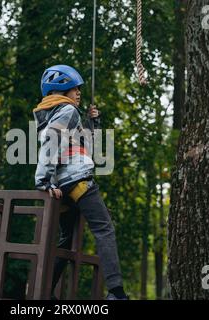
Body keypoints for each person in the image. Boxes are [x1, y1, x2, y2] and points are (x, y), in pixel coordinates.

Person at [32, 65, 128, 300]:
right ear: (62, 89)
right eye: (75, 88)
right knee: (104, 230)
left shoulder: (49, 114)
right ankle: (116, 293)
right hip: (77, 181)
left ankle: (45, 292)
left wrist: (93, 123)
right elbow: (53, 143)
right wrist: (42, 180)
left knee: (66, 239)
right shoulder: (67, 110)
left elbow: (82, 145)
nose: (79, 92)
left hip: (62, 186)